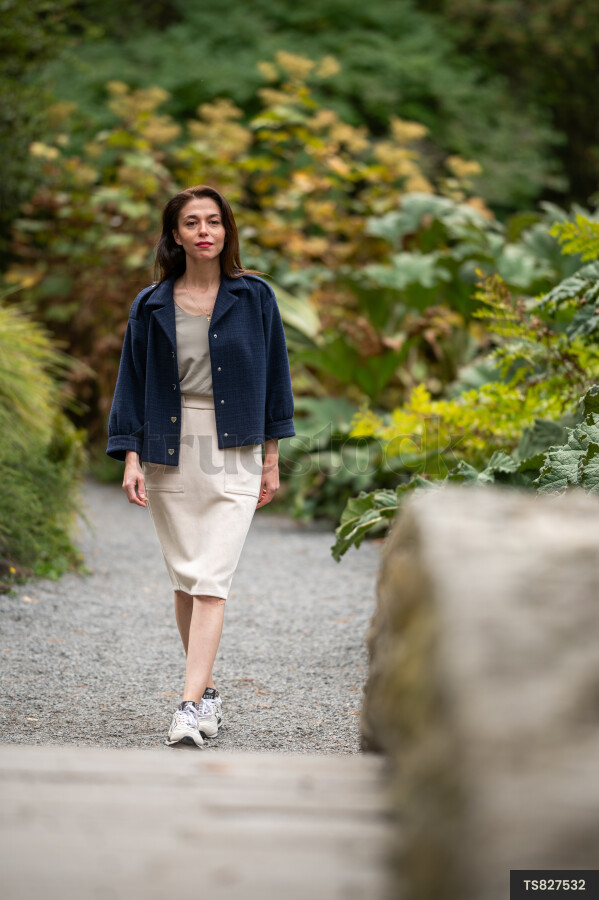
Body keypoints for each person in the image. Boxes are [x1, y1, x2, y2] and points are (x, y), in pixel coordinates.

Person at [106, 184, 295, 747]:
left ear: (227, 230)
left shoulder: (256, 297)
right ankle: (207, 690)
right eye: (192, 223)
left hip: (234, 448)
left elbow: (277, 375)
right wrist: (132, 455)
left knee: (213, 579)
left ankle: (187, 706)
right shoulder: (152, 304)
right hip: (170, 446)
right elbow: (132, 383)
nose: (204, 231)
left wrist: (272, 456)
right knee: (187, 578)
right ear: (175, 235)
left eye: (214, 221)